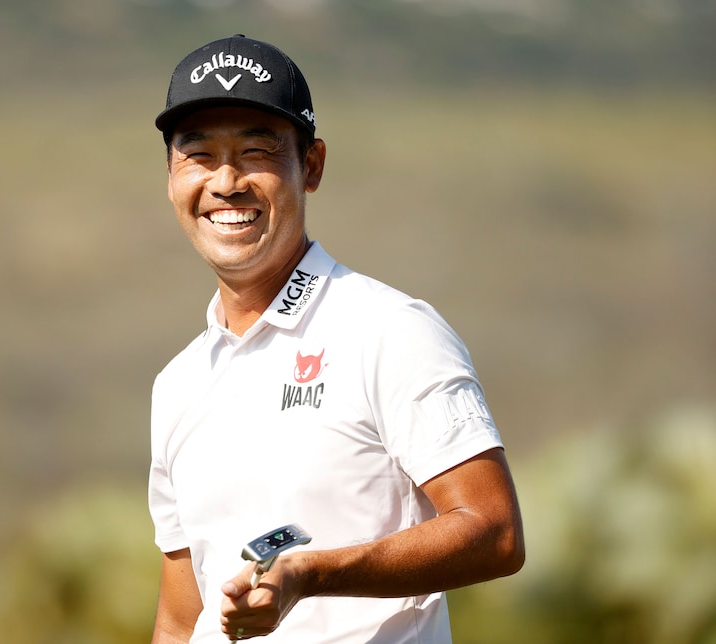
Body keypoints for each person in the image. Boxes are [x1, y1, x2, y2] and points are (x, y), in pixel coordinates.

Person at [147, 35, 525, 643]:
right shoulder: (179, 384)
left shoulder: (390, 329)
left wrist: (309, 576)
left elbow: (494, 530)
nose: (226, 181)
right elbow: (179, 619)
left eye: (256, 150)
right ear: (171, 175)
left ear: (312, 165)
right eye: (199, 155)